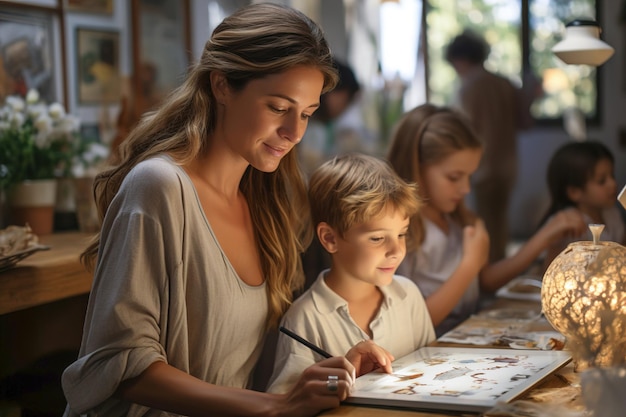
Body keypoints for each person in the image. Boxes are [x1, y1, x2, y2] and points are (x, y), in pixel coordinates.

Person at [60, 4, 391, 416]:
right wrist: (276, 407)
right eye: (277, 107)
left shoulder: (266, 199)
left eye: (306, 114)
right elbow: (121, 365)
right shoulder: (160, 187)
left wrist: (331, 362)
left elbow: (239, 359)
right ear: (221, 86)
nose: (293, 132)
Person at [386, 104, 586, 336]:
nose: (466, 189)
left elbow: (486, 281)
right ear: (417, 167)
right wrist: (470, 263)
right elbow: (417, 323)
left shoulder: (455, 218)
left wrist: (544, 237)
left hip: (467, 336)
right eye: (454, 177)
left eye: (469, 176)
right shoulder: (402, 231)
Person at [267, 153, 435, 394]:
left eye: (402, 234)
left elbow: (434, 371)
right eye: (377, 238)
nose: (396, 250)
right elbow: (287, 404)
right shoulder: (305, 318)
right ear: (330, 238)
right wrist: (342, 379)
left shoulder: (408, 296)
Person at [445, 29, 538, 264]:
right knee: (500, 224)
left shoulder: (468, 88)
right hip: (507, 166)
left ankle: (488, 276)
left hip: (480, 167)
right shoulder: (504, 84)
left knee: (482, 225)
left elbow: (462, 132)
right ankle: (500, 272)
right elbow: (525, 123)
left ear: (460, 60)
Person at [540, 140, 625, 269]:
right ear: (574, 192)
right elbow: (550, 270)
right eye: (602, 181)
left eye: (612, 176)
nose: (612, 184)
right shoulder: (565, 224)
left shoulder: (612, 214)